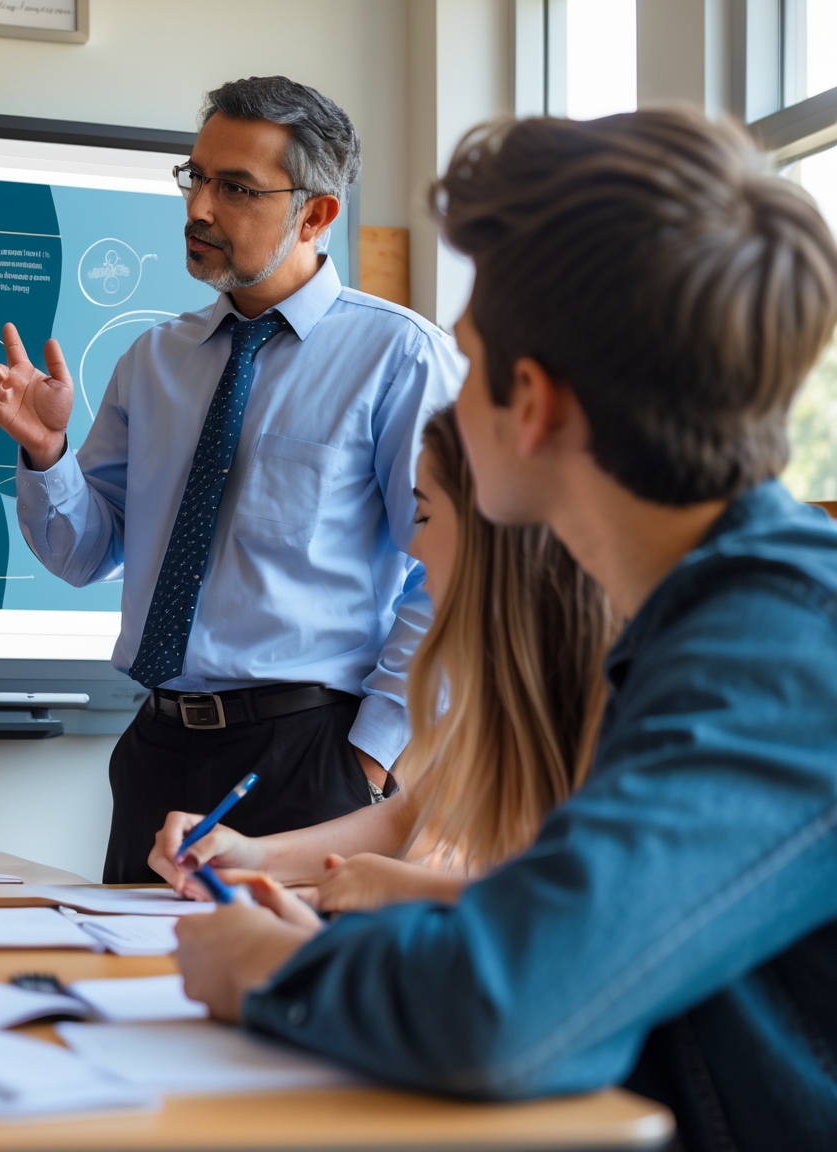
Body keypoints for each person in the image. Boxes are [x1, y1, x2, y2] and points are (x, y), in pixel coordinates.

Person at [172, 109, 837, 1152]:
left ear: (529, 406)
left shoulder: (779, 654)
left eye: (470, 362)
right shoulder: (705, 628)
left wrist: (272, 968)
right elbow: (561, 957)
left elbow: (506, 1006)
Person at [0, 76, 464, 882]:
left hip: (314, 753)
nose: (199, 208)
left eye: (235, 187)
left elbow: (452, 578)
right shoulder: (156, 359)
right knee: (122, 993)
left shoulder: (399, 357)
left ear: (316, 213)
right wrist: (47, 451)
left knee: (274, 999)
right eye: (196, 177)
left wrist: (370, 758)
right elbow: (81, 555)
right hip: (156, 749)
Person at [147, 406, 616, 911]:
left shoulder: (619, 686)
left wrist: (400, 889)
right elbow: (415, 817)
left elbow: (594, 905)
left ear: (496, 529)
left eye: (425, 516)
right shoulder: (505, 686)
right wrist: (251, 857)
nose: (415, 547)